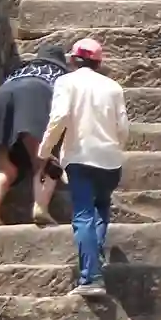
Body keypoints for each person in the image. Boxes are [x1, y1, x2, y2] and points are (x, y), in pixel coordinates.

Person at [37, 38, 129, 299]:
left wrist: (44, 152)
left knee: (83, 216)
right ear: (98, 63)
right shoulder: (113, 87)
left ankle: (91, 276)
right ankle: (94, 260)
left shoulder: (67, 82)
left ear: (74, 60)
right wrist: (114, 148)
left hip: (80, 158)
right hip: (110, 161)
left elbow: (60, 117)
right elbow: (123, 128)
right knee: (100, 209)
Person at [0, 42, 69, 232]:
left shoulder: (20, 70)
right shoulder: (60, 76)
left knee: (6, 168)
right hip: (31, 102)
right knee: (43, 162)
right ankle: (40, 208)